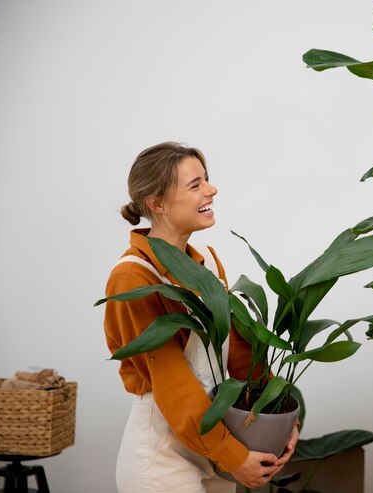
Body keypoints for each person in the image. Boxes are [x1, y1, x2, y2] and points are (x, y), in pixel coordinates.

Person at [104, 142, 298, 492]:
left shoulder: (207, 261)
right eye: (195, 185)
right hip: (163, 462)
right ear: (157, 203)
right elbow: (175, 389)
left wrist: (277, 415)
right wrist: (235, 458)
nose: (212, 189)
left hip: (216, 449)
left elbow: (240, 356)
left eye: (207, 179)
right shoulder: (134, 277)